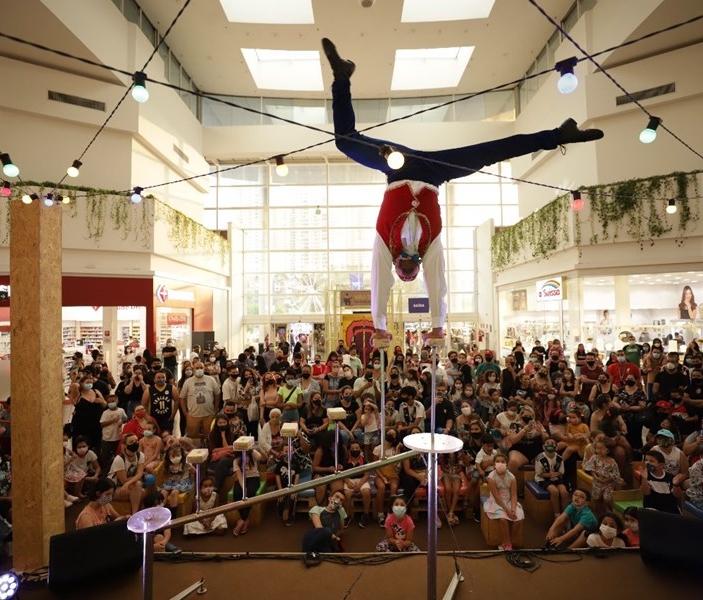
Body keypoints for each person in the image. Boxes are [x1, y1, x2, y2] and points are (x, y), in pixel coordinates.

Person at [321, 38, 603, 346]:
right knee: (492, 151)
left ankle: (341, 78)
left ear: (397, 266)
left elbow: (379, 282)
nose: (406, 268)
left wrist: (379, 326)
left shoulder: (383, 243)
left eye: (402, 270)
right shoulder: (431, 248)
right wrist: (438, 327)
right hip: (436, 173)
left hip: (396, 168)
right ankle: (558, 135)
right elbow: (438, 283)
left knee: (345, 141)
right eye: (410, 270)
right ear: (415, 269)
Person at [482, 454, 524, 551]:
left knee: (518, 519)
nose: (500, 463)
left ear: (507, 464)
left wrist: (513, 509)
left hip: (509, 501)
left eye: (502, 461)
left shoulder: (512, 477)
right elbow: (496, 496)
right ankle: (507, 544)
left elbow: (513, 495)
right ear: (494, 464)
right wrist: (507, 511)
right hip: (497, 502)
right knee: (503, 519)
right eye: (497, 461)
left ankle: (509, 543)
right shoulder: (491, 477)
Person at [302, 489, 347, 554]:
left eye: (341, 500)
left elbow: (341, 530)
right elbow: (319, 528)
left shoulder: (341, 512)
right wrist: (334, 537)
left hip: (326, 544)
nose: (338, 500)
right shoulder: (317, 509)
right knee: (327, 530)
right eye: (337, 497)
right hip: (313, 539)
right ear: (330, 498)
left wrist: (335, 539)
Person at [534, 438, 569, 519]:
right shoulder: (540, 458)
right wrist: (549, 475)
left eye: (552, 443)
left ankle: (566, 515)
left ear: (556, 447)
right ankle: (557, 515)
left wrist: (556, 474)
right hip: (543, 479)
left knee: (564, 492)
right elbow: (540, 473)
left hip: (556, 478)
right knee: (554, 491)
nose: (550, 444)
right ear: (543, 447)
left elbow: (561, 472)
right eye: (547, 443)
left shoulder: (559, 458)